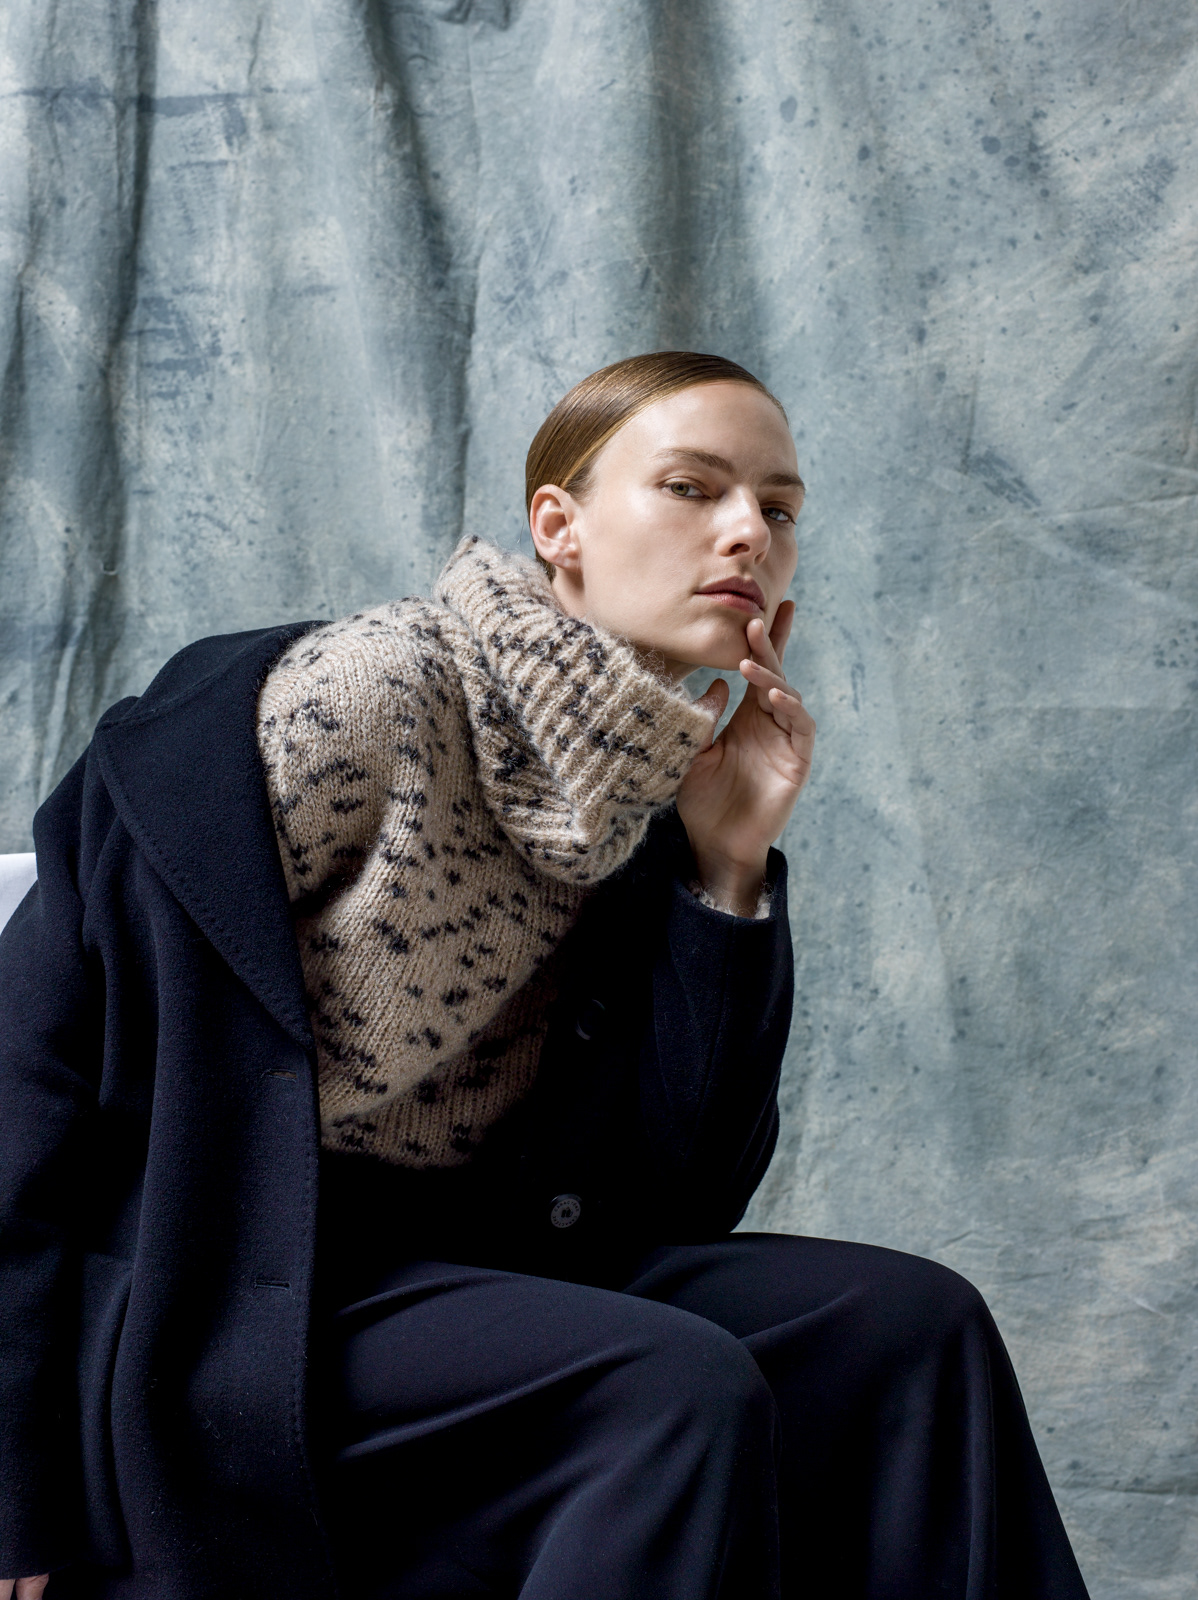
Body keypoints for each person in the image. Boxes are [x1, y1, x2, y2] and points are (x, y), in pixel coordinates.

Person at [0, 352, 1089, 1599]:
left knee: (909, 1324)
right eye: (693, 487)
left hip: (468, 1264)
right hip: (219, 1282)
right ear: (558, 526)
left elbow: (684, 1194)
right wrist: (13, 1477)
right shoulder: (365, 697)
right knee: (669, 1385)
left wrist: (726, 868)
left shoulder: (631, 788)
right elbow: (24, 1067)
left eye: (779, 507)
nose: (749, 533)